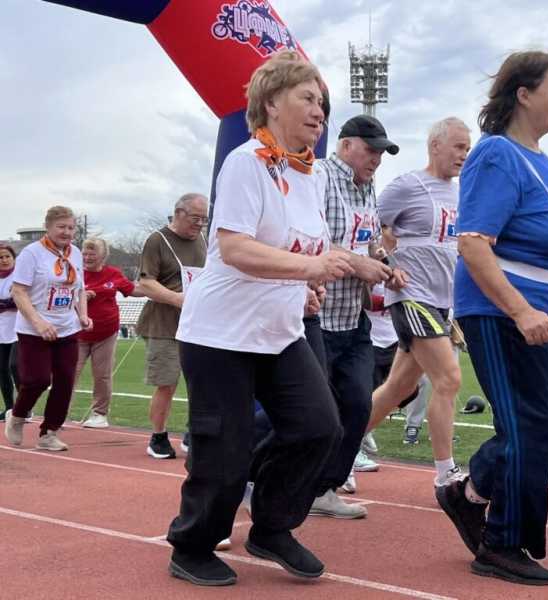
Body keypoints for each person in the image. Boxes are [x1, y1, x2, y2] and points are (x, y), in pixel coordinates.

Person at [166, 50, 354, 587]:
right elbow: (237, 249)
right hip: (221, 333)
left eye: (322, 102)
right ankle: (192, 545)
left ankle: (271, 527)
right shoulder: (246, 162)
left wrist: (309, 285)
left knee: (319, 426)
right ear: (271, 102)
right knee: (226, 449)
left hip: (279, 331)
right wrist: (311, 267)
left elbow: (300, 249)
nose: (319, 111)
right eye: (307, 98)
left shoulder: (310, 175)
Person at [437, 50, 548, 586]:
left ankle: (468, 493)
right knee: (527, 428)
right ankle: (501, 543)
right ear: (524, 94)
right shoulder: (496, 155)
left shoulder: (541, 160)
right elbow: (473, 243)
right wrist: (522, 308)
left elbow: (546, 237)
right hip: (504, 316)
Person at [365, 117, 471, 487]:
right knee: (449, 378)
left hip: (442, 303)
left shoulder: (461, 194)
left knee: (398, 388)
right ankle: (446, 475)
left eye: (467, 148)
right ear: (435, 146)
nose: (464, 155)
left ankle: (338, 453)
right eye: (458, 146)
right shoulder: (408, 185)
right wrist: (386, 261)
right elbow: (368, 225)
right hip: (411, 296)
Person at [310, 114, 400, 519]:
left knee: (357, 406)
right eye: (371, 150)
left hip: (353, 319)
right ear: (345, 145)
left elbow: (368, 242)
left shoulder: (368, 188)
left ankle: (323, 489)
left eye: (382, 152)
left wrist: (384, 262)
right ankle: (241, 467)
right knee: (310, 413)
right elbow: (309, 240)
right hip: (316, 316)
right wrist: (358, 264)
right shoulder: (320, 177)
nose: (377, 159)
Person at [4, 206, 92, 451]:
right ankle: (17, 416)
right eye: (61, 227)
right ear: (48, 227)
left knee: (65, 381)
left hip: (67, 327)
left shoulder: (75, 253)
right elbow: (18, 292)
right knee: (38, 379)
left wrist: (83, 315)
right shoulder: (32, 254)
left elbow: (79, 289)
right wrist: (39, 322)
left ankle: (49, 432)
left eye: (71, 228)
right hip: (35, 329)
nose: (67, 232)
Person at [137, 193, 208, 458]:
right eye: (195, 218)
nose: (199, 224)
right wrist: (177, 299)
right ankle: (158, 436)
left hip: (198, 325)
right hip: (164, 324)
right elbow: (146, 283)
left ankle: (194, 432)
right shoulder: (157, 240)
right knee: (167, 382)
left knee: (202, 383)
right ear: (179, 213)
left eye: (204, 219)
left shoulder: (203, 239)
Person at [75, 237, 142, 428]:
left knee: (102, 375)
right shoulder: (75, 274)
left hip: (106, 332)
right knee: (69, 373)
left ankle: (99, 414)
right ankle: (59, 412)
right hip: (78, 333)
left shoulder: (113, 274)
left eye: (92, 254)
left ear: (103, 256)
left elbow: (133, 290)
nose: (87, 257)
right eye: (85, 254)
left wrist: (155, 291)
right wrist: (81, 298)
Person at [0, 244, 19, 420]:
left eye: (8, 256)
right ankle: (9, 409)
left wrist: (6, 304)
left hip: (19, 329)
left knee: (15, 365)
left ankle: (24, 407)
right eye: (1, 257)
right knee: (2, 369)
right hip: (1, 330)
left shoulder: (19, 276)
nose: (4, 260)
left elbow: (21, 299)